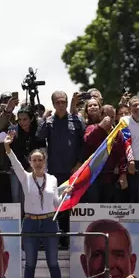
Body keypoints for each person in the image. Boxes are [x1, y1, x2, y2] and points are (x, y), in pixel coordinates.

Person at [1, 130, 73, 278]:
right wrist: (7, 147)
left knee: (53, 262)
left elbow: (56, 203)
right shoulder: (25, 177)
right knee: (31, 262)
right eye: (34, 160)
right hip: (31, 222)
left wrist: (67, 194)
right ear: (30, 162)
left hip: (49, 222)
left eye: (41, 160)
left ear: (45, 161)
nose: (38, 163)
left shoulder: (53, 180)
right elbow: (15, 163)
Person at [37, 91, 86, 249]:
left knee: (72, 205)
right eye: (57, 102)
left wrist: (79, 163)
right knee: (57, 205)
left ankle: (72, 240)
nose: (61, 104)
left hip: (74, 171)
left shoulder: (77, 120)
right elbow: (39, 136)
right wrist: (43, 118)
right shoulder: (49, 122)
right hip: (55, 172)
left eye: (63, 101)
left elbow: (84, 144)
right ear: (53, 104)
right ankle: (57, 239)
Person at [71, 219, 139, 278]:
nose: (109, 264)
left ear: (132, 263)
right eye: (98, 255)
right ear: (85, 265)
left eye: (118, 255)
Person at [82, 105, 128, 203]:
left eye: (112, 116)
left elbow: (122, 155)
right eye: (106, 116)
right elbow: (87, 142)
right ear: (100, 116)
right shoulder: (92, 128)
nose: (109, 119)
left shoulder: (117, 133)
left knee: (108, 208)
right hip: (93, 177)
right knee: (94, 204)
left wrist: (123, 174)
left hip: (110, 178)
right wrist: (100, 127)